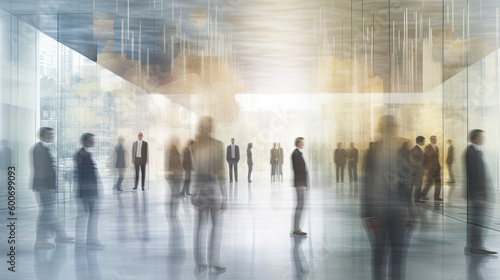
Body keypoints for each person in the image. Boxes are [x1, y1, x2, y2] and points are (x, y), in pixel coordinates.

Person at [362, 115, 415, 280]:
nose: (391, 130)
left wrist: (411, 212)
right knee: (379, 253)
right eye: (388, 127)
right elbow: (366, 184)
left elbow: (407, 185)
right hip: (379, 210)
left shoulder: (403, 151)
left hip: (399, 211)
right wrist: (369, 214)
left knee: (398, 255)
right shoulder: (372, 151)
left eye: (393, 127)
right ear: (382, 129)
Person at [192, 116, 228, 272]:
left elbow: (195, 171)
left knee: (201, 226)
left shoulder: (195, 146)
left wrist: (193, 193)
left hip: (202, 190)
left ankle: (201, 263)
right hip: (212, 190)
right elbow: (220, 171)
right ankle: (212, 261)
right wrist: (225, 195)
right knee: (214, 226)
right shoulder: (218, 145)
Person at [31, 127, 74, 249]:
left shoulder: (43, 148)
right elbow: (41, 169)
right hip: (44, 186)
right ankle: (40, 241)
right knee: (46, 213)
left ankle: (61, 235)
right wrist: (46, 187)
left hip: (46, 186)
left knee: (49, 212)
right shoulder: (39, 149)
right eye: (51, 134)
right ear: (44, 135)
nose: (53, 136)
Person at [464, 129, 496, 255]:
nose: (483, 139)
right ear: (475, 138)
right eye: (481, 137)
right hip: (477, 194)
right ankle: (476, 247)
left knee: (476, 222)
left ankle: (474, 246)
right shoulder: (471, 152)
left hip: (477, 194)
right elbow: (474, 175)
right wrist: (479, 195)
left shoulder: (475, 151)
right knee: (477, 222)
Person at [75, 133, 104, 249]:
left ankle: (86, 240)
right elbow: (83, 176)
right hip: (87, 192)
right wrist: (91, 192)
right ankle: (90, 240)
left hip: (88, 191)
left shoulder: (85, 154)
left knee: (87, 216)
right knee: (90, 216)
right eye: (91, 140)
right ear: (85, 141)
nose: (93, 142)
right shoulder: (81, 155)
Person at [291, 137, 308, 236]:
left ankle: (297, 228)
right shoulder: (296, 154)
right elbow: (299, 170)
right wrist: (302, 183)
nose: (303, 144)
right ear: (298, 143)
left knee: (300, 205)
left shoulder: (297, 153)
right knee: (300, 205)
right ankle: (296, 229)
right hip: (299, 183)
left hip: (300, 183)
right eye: (302, 143)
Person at [165, 136, 183, 218]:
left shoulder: (175, 150)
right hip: (174, 175)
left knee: (175, 193)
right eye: (177, 140)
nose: (179, 142)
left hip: (177, 174)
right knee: (174, 193)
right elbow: (169, 163)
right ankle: (172, 211)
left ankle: (173, 211)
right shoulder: (171, 150)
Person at [422, 135, 443, 201]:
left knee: (438, 182)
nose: (435, 140)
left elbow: (437, 158)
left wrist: (439, 166)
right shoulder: (427, 147)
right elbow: (427, 156)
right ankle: (423, 195)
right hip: (431, 168)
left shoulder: (436, 147)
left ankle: (436, 197)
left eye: (436, 139)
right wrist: (426, 168)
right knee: (429, 182)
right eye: (434, 139)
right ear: (431, 140)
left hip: (437, 168)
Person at [411, 136, 426, 203]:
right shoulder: (415, 150)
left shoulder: (417, 149)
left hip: (418, 170)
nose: (424, 142)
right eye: (423, 141)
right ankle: (416, 199)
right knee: (417, 184)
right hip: (417, 170)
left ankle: (417, 199)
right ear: (420, 142)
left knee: (418, 184)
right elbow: (415, 161)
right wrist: (421, 168)